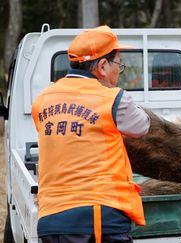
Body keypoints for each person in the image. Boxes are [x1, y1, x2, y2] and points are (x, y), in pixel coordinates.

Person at [31, 25, 151, 243]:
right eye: (119, 64)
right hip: (99, 219)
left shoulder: (42, 100)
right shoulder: (114, 98)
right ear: (102, 66)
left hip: (50, 221)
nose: (119, 71)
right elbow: (141, 126)